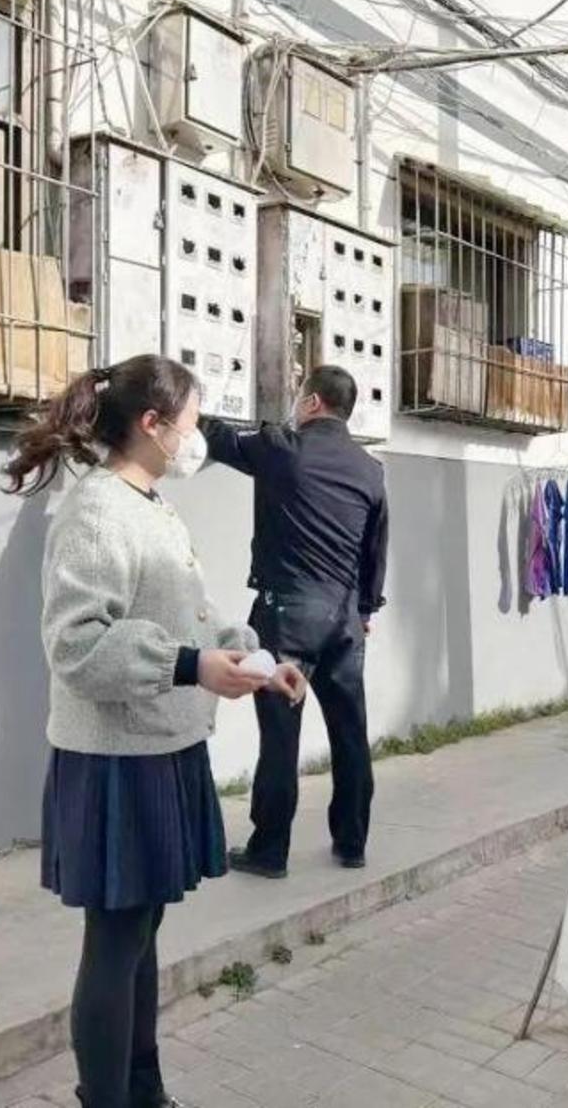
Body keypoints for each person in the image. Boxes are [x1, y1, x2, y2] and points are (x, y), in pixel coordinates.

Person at [2, 355, 307, 1108]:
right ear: (152, 424)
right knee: (116, 945)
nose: (198, 439)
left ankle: (145, 1092)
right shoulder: (97, 510)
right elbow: (76, 646)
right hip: (116, 760)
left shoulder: (151, 506)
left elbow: (189, 615)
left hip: (161, 747)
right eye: (192, 423)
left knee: (141, 940)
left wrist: (258, 660)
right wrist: (191, 667)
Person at [200, 365, 389, 878]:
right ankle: (352, 843)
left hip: (287, 617)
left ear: (312, 403)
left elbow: (219, 440)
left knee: (280, 738)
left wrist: (186, 402)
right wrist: (366, 609)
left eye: (298, 395)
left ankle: (269, 851)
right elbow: (376, 549)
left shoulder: (281, 448)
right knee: (350, 734)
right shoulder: (370, 469)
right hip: (344, 621)